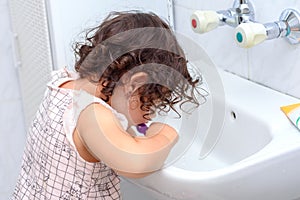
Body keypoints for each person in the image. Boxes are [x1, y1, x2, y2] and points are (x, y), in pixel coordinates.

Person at [12, 11, 200, 199]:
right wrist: (166, 135)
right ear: (134, 84)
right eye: (149, 105)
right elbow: (136, 163)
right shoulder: (92, 114)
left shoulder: (64, 83)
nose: (150, 117)